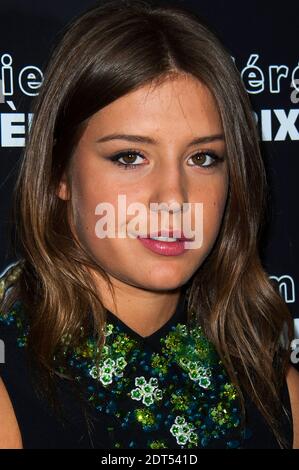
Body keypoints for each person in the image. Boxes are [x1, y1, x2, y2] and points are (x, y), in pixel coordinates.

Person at [0, 0, 298, 449]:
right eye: (130, 156)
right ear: (60, 172)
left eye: (203, 158)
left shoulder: (275, 388)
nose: (173, 199)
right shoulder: (9, 389)